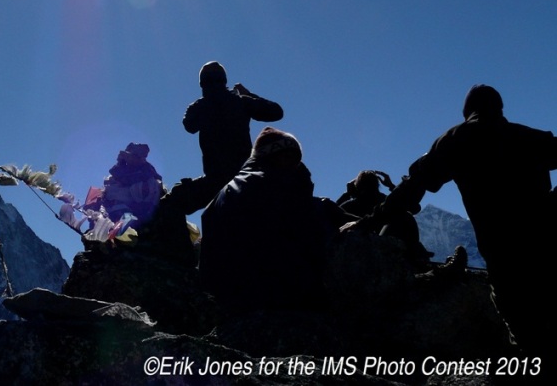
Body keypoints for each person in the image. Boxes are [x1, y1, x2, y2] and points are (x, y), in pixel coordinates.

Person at [374, 84, 557, 355]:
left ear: (466, 112)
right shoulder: (533, 138)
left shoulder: (455, 139)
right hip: (547, 244)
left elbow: (415, 184)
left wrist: (373, 219)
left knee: (528, 335)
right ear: (500, 109)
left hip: (504, 255)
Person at [199, 127, 339, 312]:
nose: (295, 165)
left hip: (230, 298)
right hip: (275, 297)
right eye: (288, 157)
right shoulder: (276, 187)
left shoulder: (225, 195)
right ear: (271, 156)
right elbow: (299, 240)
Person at [168, 61, 283, 214]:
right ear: (224, 80)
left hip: (216, 179)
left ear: (202, 84)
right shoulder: (241, 101)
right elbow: (276, 112)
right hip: (244, 176)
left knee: (172, 201)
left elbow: (189, 125)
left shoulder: (200, 106)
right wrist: (247, 95)